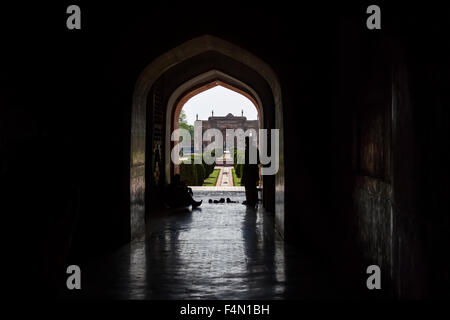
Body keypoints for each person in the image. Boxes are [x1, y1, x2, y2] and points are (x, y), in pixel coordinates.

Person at [241, 136, 260, 207]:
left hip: (248, 171)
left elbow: (246, 162)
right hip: (253, 170)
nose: (245, 143)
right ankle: (253, 200)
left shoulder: (247, 150)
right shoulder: (255, 149)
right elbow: (258, 160)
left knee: (248, 186)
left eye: (246, 141)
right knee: (253, 186)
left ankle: (249, 200)